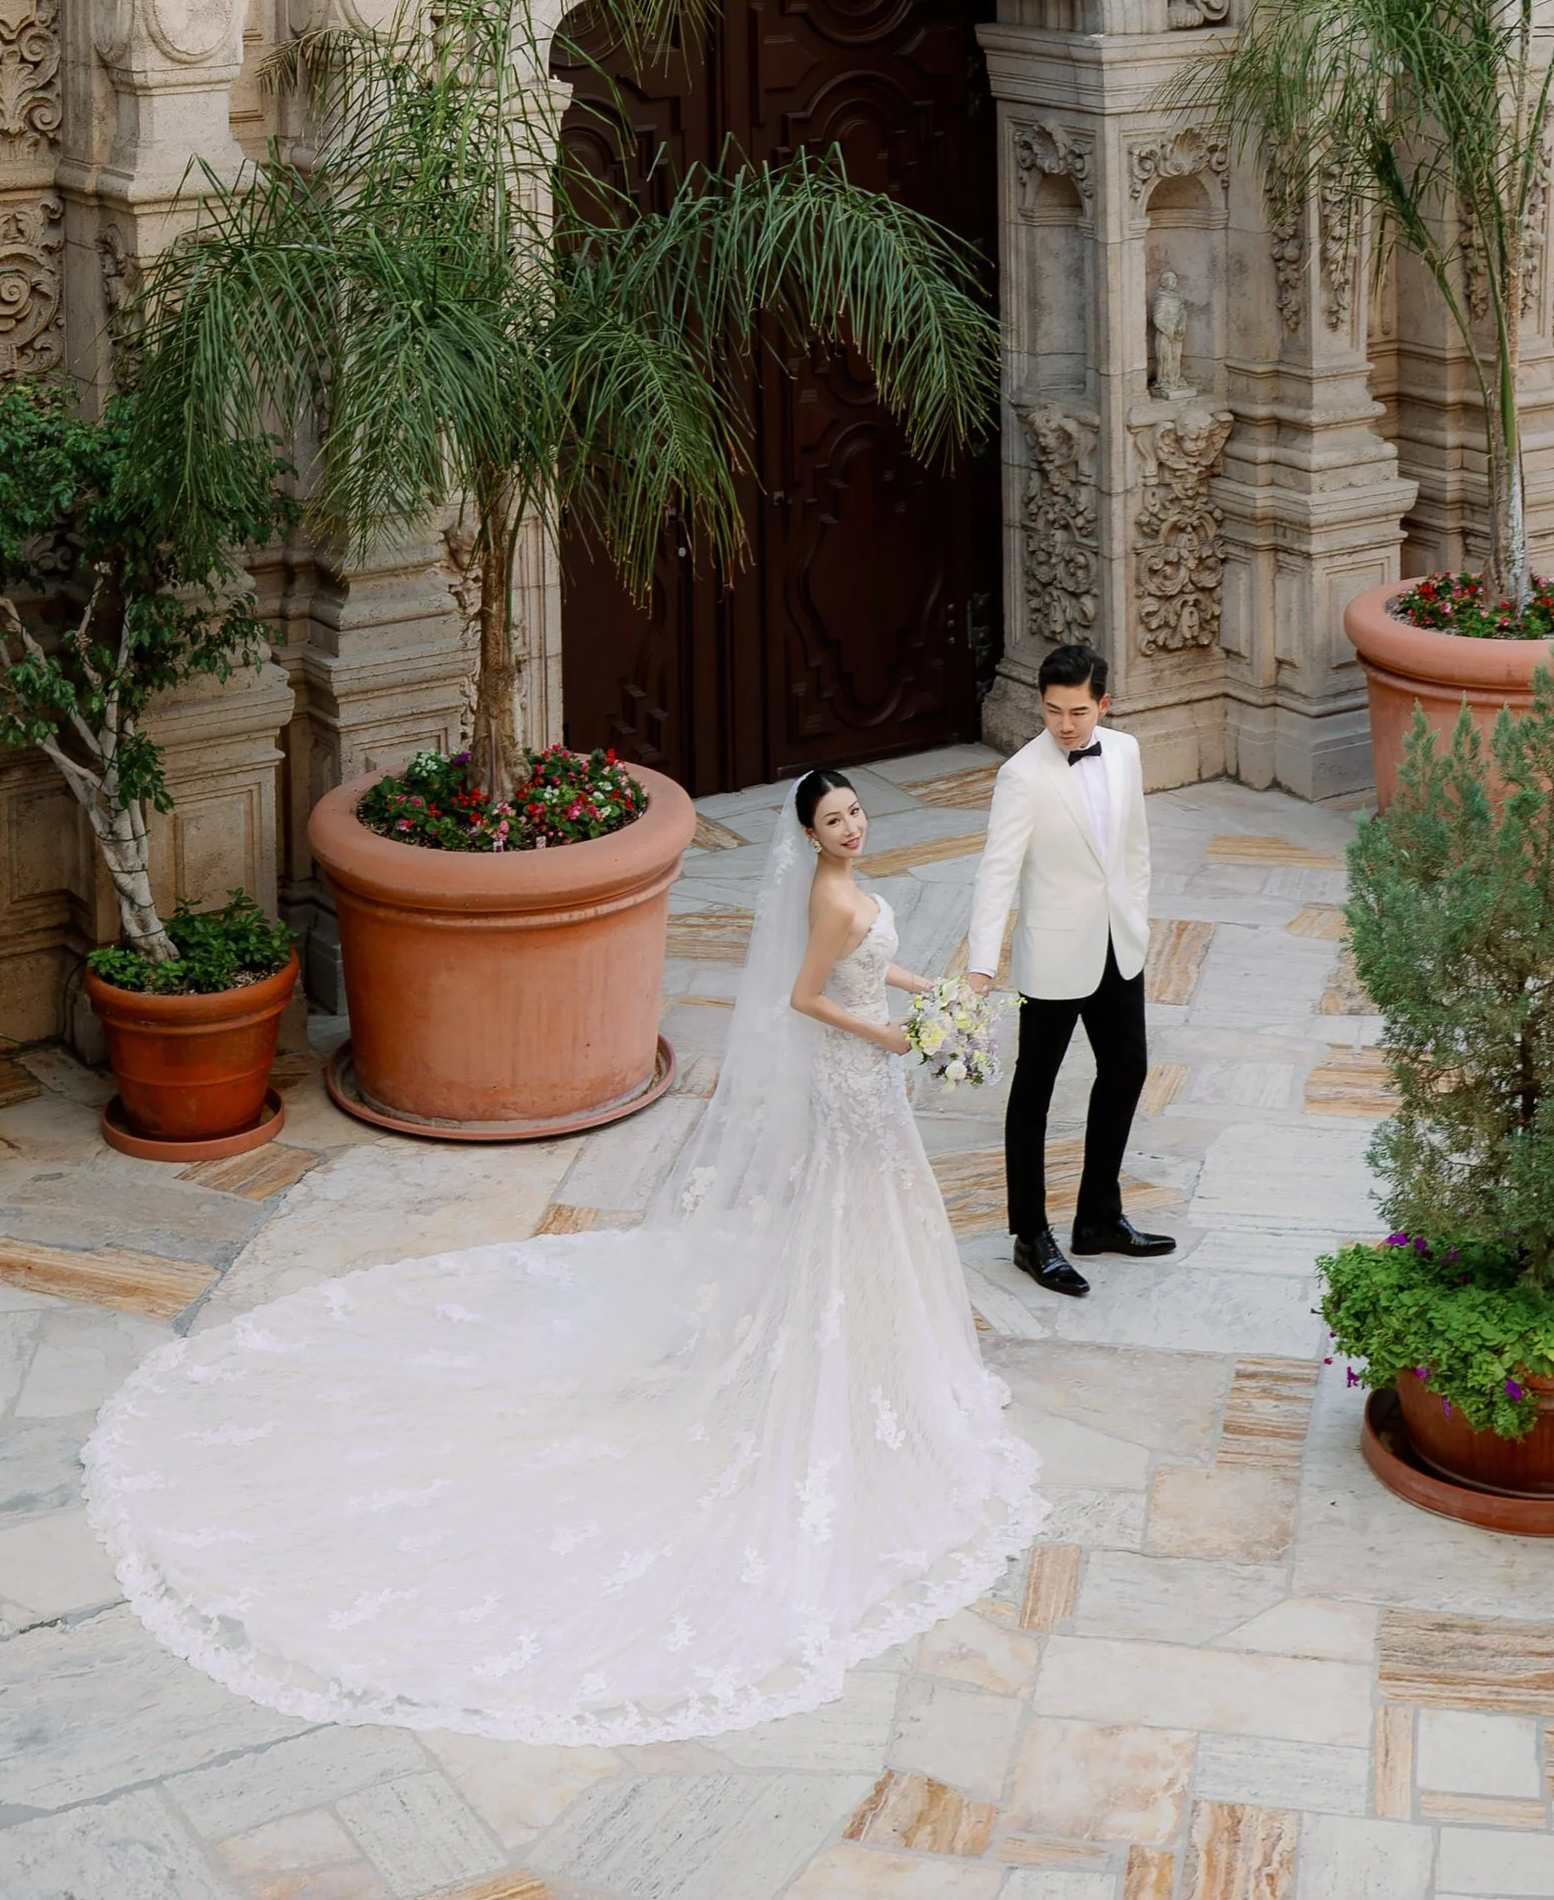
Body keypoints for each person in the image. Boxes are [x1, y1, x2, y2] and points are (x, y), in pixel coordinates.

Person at [83, 765, 1042, 1743]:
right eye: (833, 819)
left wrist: (940, 1000)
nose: (851, 828)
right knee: (853, 1209)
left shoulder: (847, 894)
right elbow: (810, 1000)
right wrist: (891, 1034)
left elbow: (872, 969)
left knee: (876, 1213)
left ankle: (881, 1353)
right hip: (853, 1073)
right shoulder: (829, 899)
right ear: (809, 831)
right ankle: (845, 1362)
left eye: (854, 813)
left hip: (872, 1073)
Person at [966, 648, 1175, 1297]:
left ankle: (1098, 1218)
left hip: (1119, 944)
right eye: (1052, 710)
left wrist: (1134, 910)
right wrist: (979, 964)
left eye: (1077, 710)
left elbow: (1135, 846)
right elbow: (996, 872)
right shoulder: (1021, 776)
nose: (1064, 723)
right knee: (1035, 1092)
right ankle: (1031, 1235)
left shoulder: (1126, 751)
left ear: (1103, 704)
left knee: (1128, 1069)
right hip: (1054, 955)